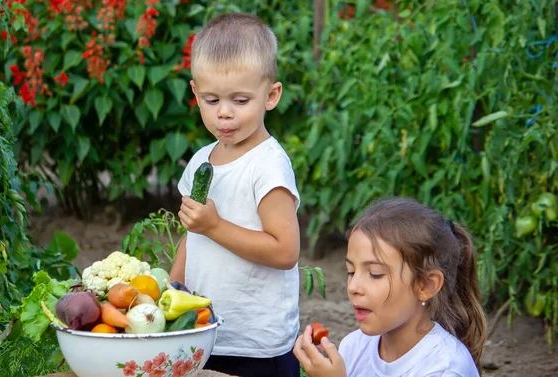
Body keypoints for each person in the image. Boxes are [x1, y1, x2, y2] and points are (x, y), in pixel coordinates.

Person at [170, 12, 302, 377]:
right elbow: (191, 235)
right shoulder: (200, 161)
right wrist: (171, 291)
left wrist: (215, 226)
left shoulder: (268, 166)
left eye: (241, 101)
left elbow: (285, 251)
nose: (224, 114)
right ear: (195, 93)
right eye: (211, 100)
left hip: (257, 345)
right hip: (204, 331)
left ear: (271, 95)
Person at [294, 197, 487, 377]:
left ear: (426, 285)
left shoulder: (445, 368)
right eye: (351, 271)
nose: (353, 286)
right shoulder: (353, 346)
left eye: (375, 274)